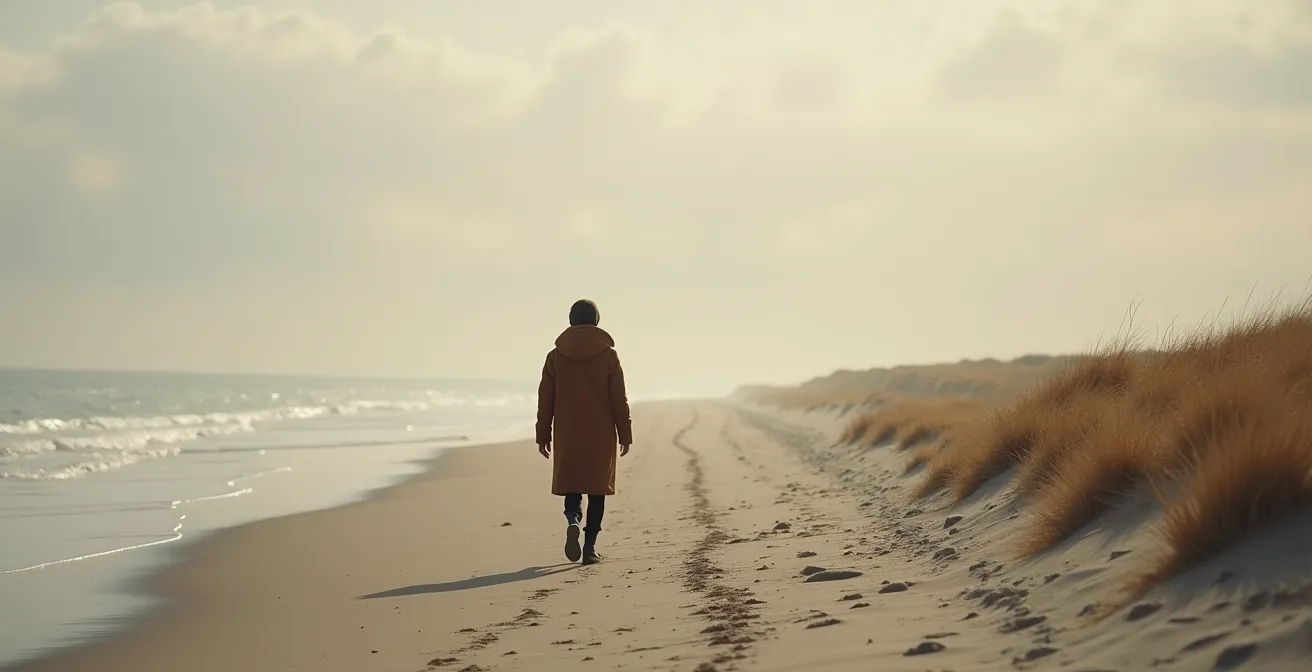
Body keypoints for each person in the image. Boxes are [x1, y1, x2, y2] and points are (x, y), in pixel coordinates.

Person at [536, 299, 633, 565]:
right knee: (597, 490)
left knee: (573, 484)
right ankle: (589, 548)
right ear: (597, 321)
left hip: (568, 431)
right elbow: (618, 399)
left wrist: (542, 435)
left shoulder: (555, 357)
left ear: (570, 321)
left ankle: (572, 519)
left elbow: (546, 398)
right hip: (601, 432)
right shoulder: (609, 356)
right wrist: (625, 434)